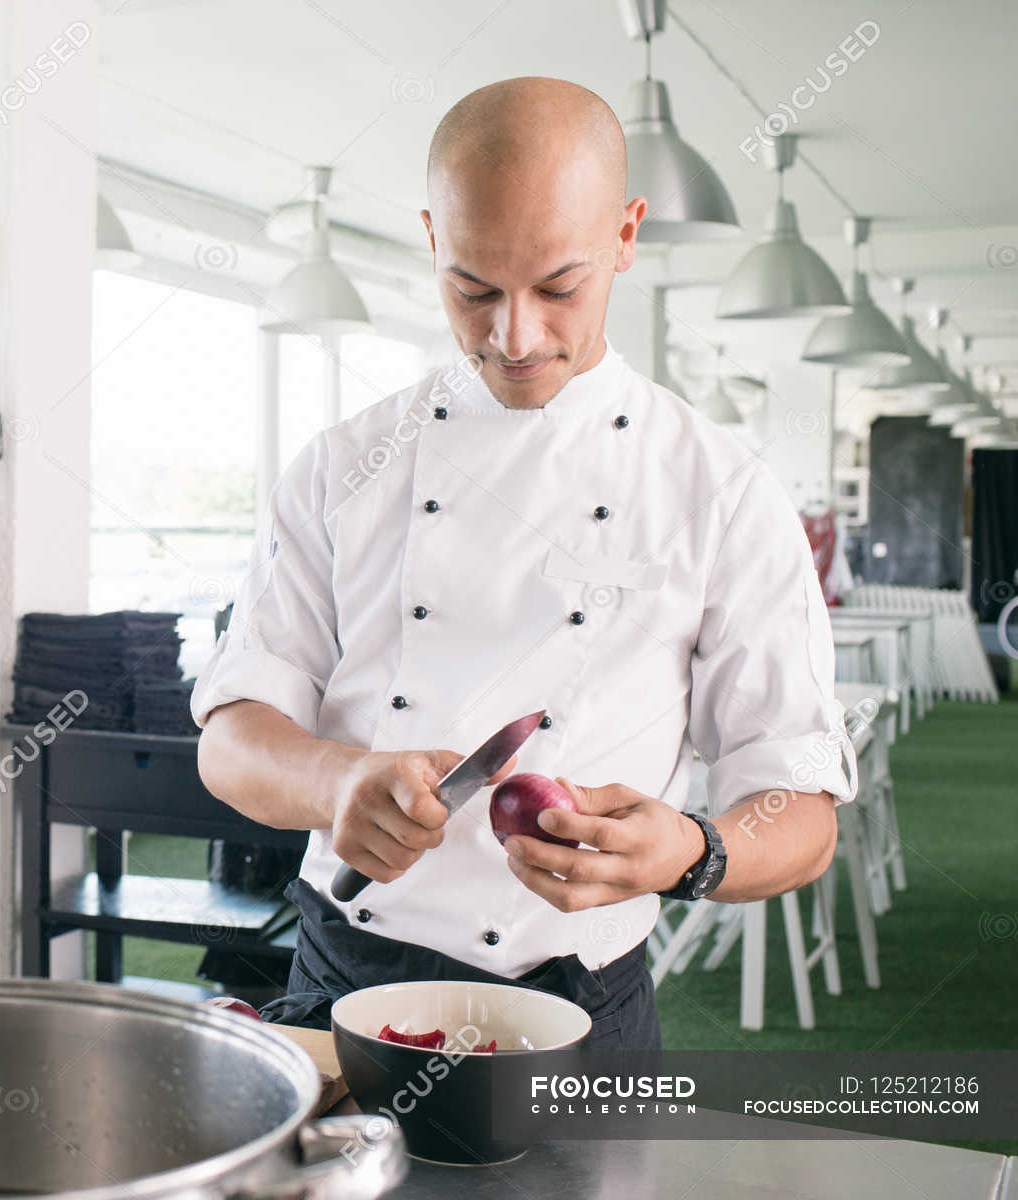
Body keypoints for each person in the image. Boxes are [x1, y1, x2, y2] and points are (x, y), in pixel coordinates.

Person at [192, 77, 856, 1049]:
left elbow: (801, 798)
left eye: (558, 287)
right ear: (433, 239)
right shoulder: (346, 465)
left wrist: (694, 849)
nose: (515, 335)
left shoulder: (719, 487)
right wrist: (335, 782)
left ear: (627, 236)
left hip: (580, 1005)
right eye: (474, 289)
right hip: (344, 988)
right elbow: (232, 738)